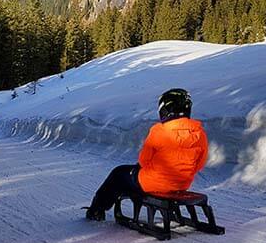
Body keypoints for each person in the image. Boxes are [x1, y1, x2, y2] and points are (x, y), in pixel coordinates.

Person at [84, 88, 208, 221]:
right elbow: (199, 164)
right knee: (127, 174)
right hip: (182, 184)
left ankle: (96, 210)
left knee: (118, 173)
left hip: (151, 183)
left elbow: (144, 161)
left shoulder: (159, 131)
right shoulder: (199, 133)